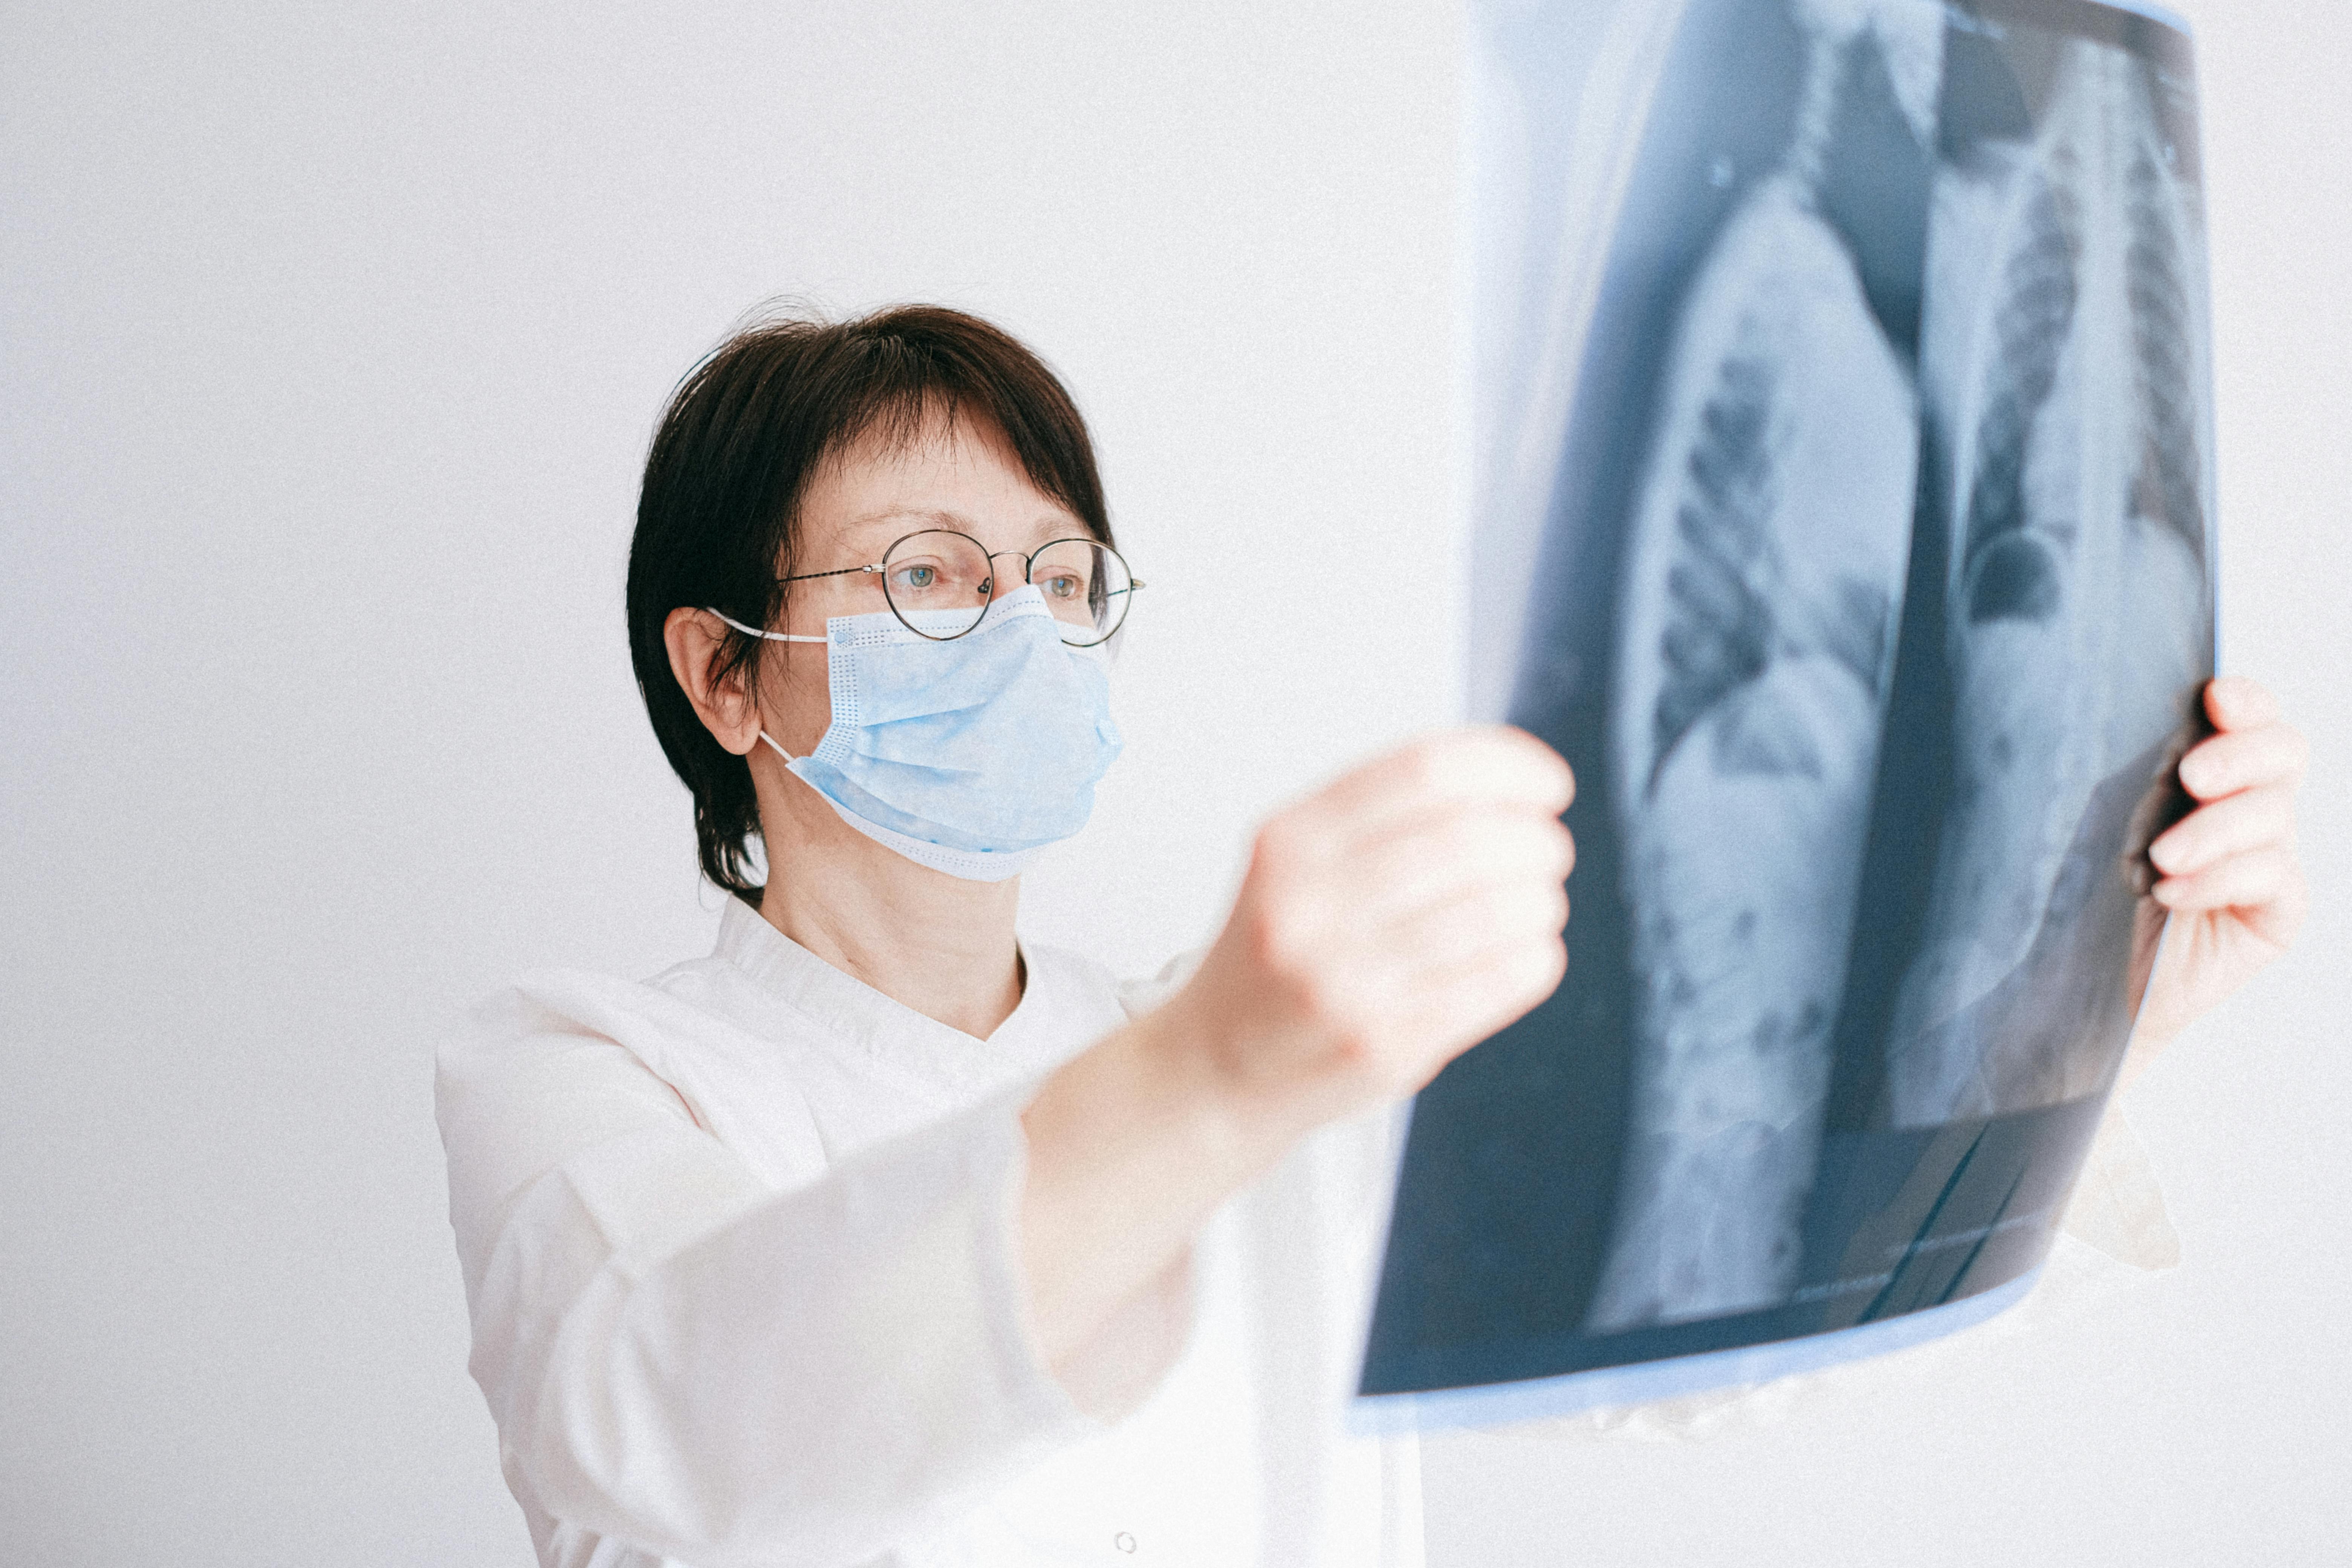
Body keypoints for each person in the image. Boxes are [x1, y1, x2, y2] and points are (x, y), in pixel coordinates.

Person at [436, 305, 2308, 1568]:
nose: (1020, 624)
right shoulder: (583, 1071)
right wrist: (1211, 1072)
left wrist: (2092, 1018)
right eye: (932, 574)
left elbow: (1709, 1301)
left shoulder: (1255, 1058)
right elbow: (675, 1432)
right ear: (723, 673)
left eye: (1063, 577)